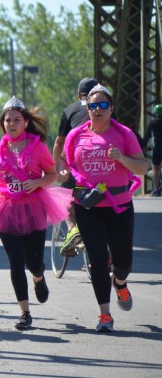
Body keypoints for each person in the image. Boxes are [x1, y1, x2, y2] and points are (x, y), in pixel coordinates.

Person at [0, 96, 72, 330]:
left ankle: (38, 277)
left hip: (33, 206)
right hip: (4, 206)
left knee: (33, 262)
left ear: (25, 122)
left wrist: (36, 183)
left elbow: (51, 175)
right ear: (2, 124)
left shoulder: (38, 147)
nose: (12, 124)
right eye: (8, 120)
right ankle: (25, 312)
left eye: (17, 119)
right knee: (15, 261)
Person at [59, 84, 147, 332]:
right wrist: (63, 173)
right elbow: (64, 165)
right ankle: (105, 315)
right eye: (92, 105)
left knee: (123, 262)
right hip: (89, 207)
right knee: (97, 261)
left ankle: (119, 283)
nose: (97, 110)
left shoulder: (124, 134)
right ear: (86, 108)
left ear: (111, 108)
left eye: (103, 105)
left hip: (119, 207)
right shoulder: (75, 136)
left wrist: (121, 158)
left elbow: (142, 167)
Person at [53, 77, 99, 253]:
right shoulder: (107, 107)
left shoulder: (70, 109)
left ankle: (73, 230)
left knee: (65, 197)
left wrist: (55, 169)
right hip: (102, 165)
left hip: (77, 162)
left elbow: (59, 143)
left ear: (79, 95)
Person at [144, 104, 162, 196]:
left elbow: (147, 136)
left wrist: (144, 145)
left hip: (157, 147)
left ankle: (156, 190)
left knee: (155, 170)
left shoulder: (153, 122)